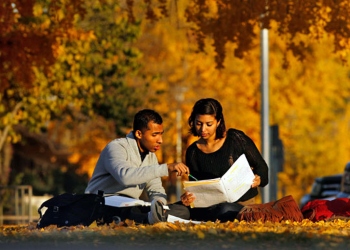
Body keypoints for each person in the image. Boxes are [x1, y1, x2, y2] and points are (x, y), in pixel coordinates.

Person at [85, 109, 190, 224]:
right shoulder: (116, 147)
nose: (160, 140)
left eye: (161, 134)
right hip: (102, 203)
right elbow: (125, 177)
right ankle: (147, 219)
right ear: (139, 134)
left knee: (183, 211)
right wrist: (166, 168)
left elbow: (155, 189)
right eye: (155, 135)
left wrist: (160, 205)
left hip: (131, 205)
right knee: (125, 210)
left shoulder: (151, 156)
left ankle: (153, 217)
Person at [180, 98, 269, 222]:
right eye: (199, 123)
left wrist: (259, 179)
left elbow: (262, 168)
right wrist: (189, 198)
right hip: (210, 206)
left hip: (241, 205)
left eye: (209, 124)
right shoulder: (192, 152)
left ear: (218, 122)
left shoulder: (235, 139)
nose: (203, 129)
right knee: (180, 208)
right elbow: (196, 186)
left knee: (224, 209)